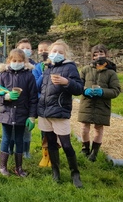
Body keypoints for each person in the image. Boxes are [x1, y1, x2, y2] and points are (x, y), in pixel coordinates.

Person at [37, 39, 84, 188]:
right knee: (51, 143)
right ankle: (55, 172)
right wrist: (43, 70)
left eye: (60, 52)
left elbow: (79, 89)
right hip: (45, 112)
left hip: (59, 111)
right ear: (49, 53)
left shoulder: (70, 68)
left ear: (65, 55)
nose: (56, 54)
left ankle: (75, 174)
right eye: (54, 51)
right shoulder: (47, 68)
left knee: (66, 144)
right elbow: (39, 88)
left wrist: (66, 82)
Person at [0, 49, 38, 177]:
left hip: (21, 113)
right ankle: (3, 166)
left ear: (24, 62)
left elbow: (33, 98)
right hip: (6, 112)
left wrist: (32, 116)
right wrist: (5, 97)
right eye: (14, 61)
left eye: (20, 61)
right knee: (6, 138)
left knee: (19, 139)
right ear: (9, 61)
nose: (17, 63)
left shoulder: (29, 76)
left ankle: (19, 168)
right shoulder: (2, 75)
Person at [78, 44, 121, 162]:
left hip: (102, 105)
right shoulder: (85, 70)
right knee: (84, 128)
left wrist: (102, 92)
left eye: (101, 53)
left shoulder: (111, 73)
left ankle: (94, 152)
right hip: (87, 104)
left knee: (98, 128)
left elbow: (116, 90)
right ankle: (85, 149)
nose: (98, 56)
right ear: (92, 56)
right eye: (95, 54)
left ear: (106, 55)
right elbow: (77, 86)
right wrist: (85, 90)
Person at [14, 38, 36, 158]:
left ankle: (26, 151)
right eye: (22, 48)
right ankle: (13, 149)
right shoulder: (12, 65)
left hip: (29, 102)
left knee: (27, 129)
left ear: (31, 51)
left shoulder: (35, 66)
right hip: (15, 102)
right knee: (13, 129)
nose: (25, 50)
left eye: (27, 48)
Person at [32, 40, 53, 167]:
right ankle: (45, 155)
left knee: (55, 131)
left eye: (46, 50)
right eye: (40, 50)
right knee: (44, 131)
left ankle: (53, 155)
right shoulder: (36, 68)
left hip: (55, 103)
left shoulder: (58, 66)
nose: (43, 52)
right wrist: (44, 72)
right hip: (42, 103)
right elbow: (35, 86)